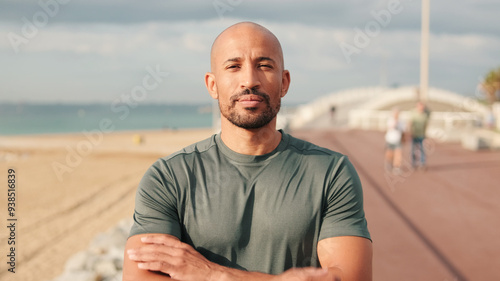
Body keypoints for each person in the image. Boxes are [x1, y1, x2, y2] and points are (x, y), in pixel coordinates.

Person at [123, 22, 372, 281]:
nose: (249, 81)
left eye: (264, 66)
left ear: (284, 82)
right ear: (212, 85)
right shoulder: (168, 178)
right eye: (233, 66)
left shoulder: (331, 173)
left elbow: (351, 278)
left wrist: (213, 275)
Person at [409, 101, 430, 169]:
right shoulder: (413, 113)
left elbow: (425, 125)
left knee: (422, 149)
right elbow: (410, 123)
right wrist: (410, 132)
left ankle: (422, 163)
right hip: (414, 134)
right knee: (413, 149)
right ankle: (414, 163)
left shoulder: (425, 114)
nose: (421, 108)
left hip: (421, 134)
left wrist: (425, 134)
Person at [384, 107, 405, 174]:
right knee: (389, 154)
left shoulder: (401, 122)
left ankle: (396, 167)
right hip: (390, 140)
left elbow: (403, 131)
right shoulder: (390, 120)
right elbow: (390, 127)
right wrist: (395, 121)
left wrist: (404, 138)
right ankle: (389, 163)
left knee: (398, 154)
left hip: (397, 140)